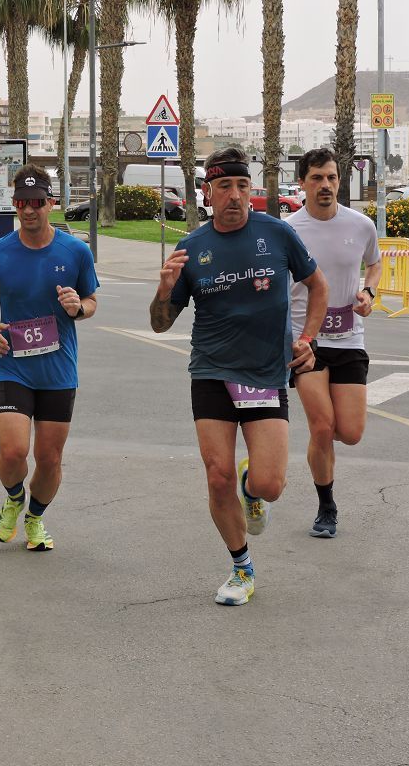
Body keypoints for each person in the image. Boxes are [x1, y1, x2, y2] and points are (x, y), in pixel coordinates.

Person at [149, 146, 328, 606]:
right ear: (208, 193)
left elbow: (318, 285)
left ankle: (253, 489)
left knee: (270, 485)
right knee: (216, 477)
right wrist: (165, 290)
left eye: (242, 186)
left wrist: (308, 339)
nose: (235, 195)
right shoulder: (191, 248)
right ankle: (241, 567)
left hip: (266, 373)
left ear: (253, 190)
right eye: (224, 186)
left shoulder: (277, 233)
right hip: (210, 370)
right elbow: (160, 322)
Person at [0, 164, 99, 552]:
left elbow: (92, 301)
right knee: (12, 453)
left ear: (51, 204)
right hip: (14, 366)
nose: (30, 210)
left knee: (49, 459)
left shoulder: (75, 251)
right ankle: (13, 499)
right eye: (23, 203)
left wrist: (78, 308)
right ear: (14, 205)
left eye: (38, 203)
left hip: (59, 370)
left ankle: (36, 517)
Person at [287, 148, 381, 539]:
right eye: (316, 178)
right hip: (304, 340)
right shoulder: (287, 229)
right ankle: (326, 505)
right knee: (322, 427)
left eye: (331, 178)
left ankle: (320, 445)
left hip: (348, 338)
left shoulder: (361, 225)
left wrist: (369, 294)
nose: (325, 186)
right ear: (303, 183)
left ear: (339, 181)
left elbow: (374, 263)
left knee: (352, 432)